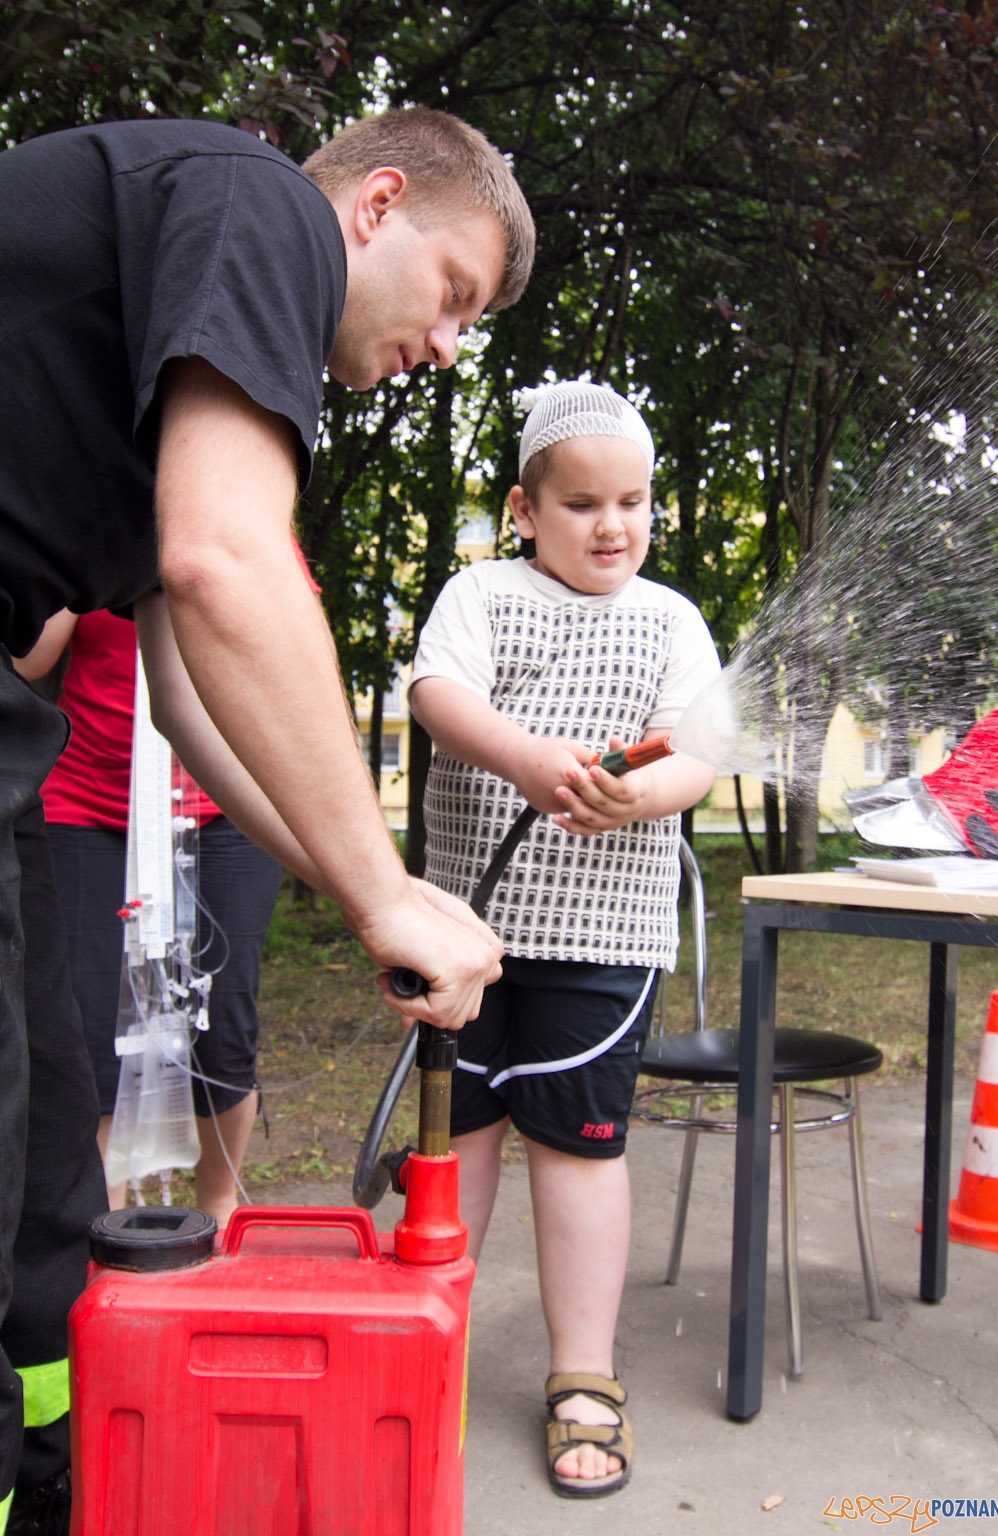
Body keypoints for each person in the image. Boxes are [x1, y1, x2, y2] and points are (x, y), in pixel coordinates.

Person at [0, 107, 531, 1532]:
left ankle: (52, 1492)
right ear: (374, 204)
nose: (447, 344)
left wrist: (365, 886)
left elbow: (189, 690)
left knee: (46, 1173)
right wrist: (382, 892)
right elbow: (227, 563)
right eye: (455, 293)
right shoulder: (257, 205)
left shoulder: (162, 352)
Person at [409, 381, 721, 1499]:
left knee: (581, 1148)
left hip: (604, 934)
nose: (612, 526)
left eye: (632, 501)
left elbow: (693, 751)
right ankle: (422, 1351)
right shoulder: (481, 593)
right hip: (466, 928)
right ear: (524, 510)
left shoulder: (672, 620)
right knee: (459, 1140)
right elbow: (439, 692)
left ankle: (582, 1376)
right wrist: (529, 755)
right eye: (582, 502)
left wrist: (642, 799)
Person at [16, 607, 283, 1229]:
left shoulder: (244, 525)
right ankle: (99, 1226)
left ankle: (217, 1209)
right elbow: (29, 660)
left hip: (226, 808)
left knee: (223, 1024)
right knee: (87, 1031)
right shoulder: (93, 522)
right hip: (88, 808)